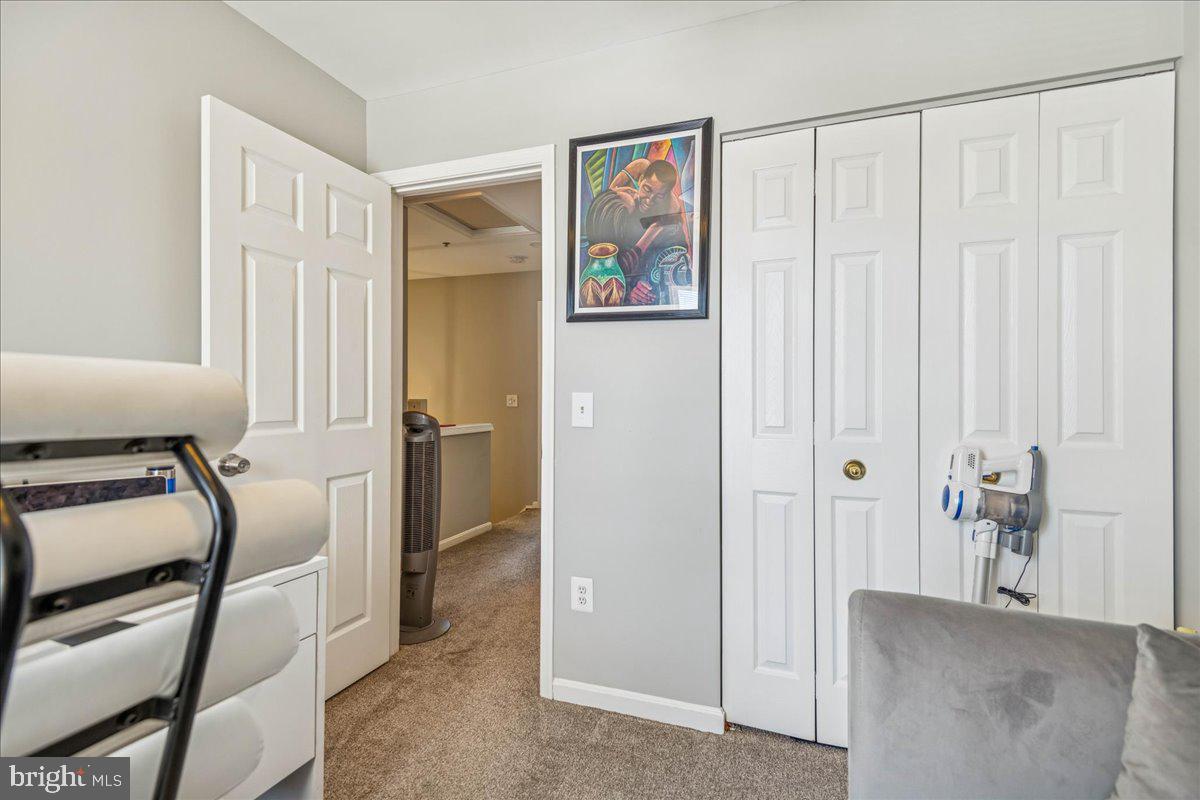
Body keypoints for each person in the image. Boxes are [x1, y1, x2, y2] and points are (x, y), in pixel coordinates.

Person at [582, 158, 690, 304]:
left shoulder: (615, 204)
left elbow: (612, 192)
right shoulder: (617, 227)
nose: (648, 200)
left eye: (630, 191)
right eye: (646, 190)